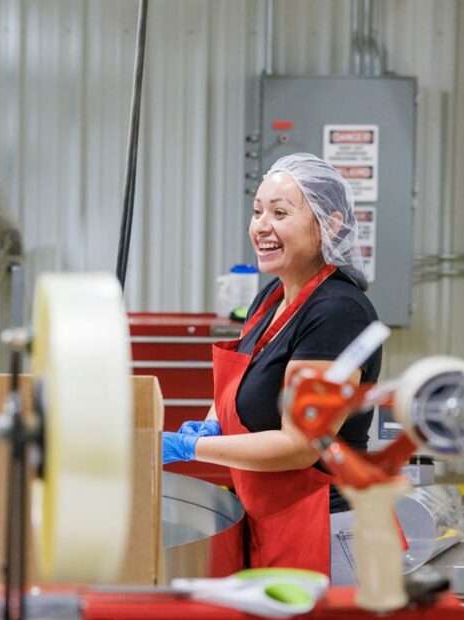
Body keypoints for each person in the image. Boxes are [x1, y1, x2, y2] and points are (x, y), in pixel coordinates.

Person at [162, 153, 381, 584]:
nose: (262, 225)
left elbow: (301, 444)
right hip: (272, 517)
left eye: (281, 212)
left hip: (328, 528)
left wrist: (190, 449)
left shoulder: (338, 313)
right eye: (257, 211)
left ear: (330, 225)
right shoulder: (270, 298)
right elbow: (240, 383)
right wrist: (209, 425)